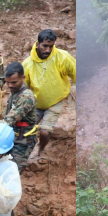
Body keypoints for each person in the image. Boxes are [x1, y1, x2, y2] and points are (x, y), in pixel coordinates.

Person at [21, 29, 77, 160]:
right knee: (27, 130)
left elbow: (75, 72)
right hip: (36, 103)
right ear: (37, 44)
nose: (47, 50)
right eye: (44, 46)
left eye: (50, 46)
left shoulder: (63, 57)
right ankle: (26, 153)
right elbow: (24, 89)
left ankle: (41, 150)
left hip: (55, 101)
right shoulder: (27, 64)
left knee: (45, 132)